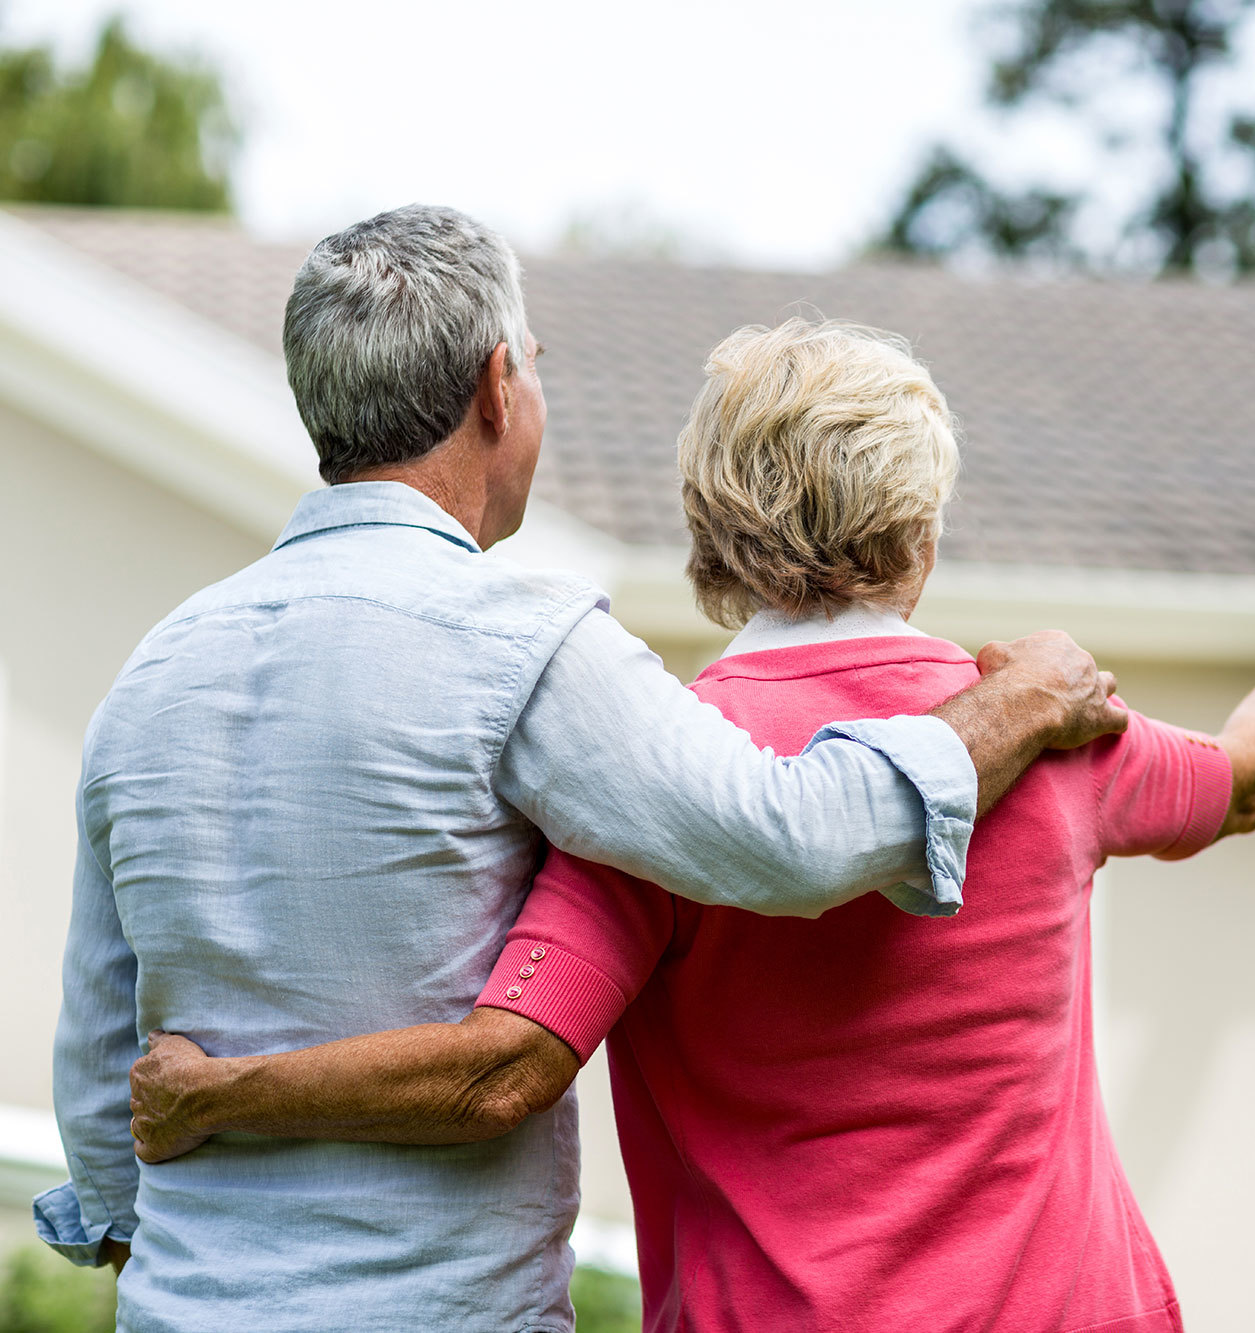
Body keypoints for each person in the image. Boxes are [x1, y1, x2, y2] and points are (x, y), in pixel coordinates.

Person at [129, 319, 1255, 1331]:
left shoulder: (654, 781)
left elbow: (501, 1066)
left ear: (710, 528)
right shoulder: (1052, 726)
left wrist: (217, 1089)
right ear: (921, 526)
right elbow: (1247, 779)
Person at [39, 213, 1125, 1333]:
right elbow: (798, 839)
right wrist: (1017, 701)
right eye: (537, 365)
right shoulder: (521, 646)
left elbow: (101, 1053)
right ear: (498, 388)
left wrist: (160, 1211)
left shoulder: (153, 672)